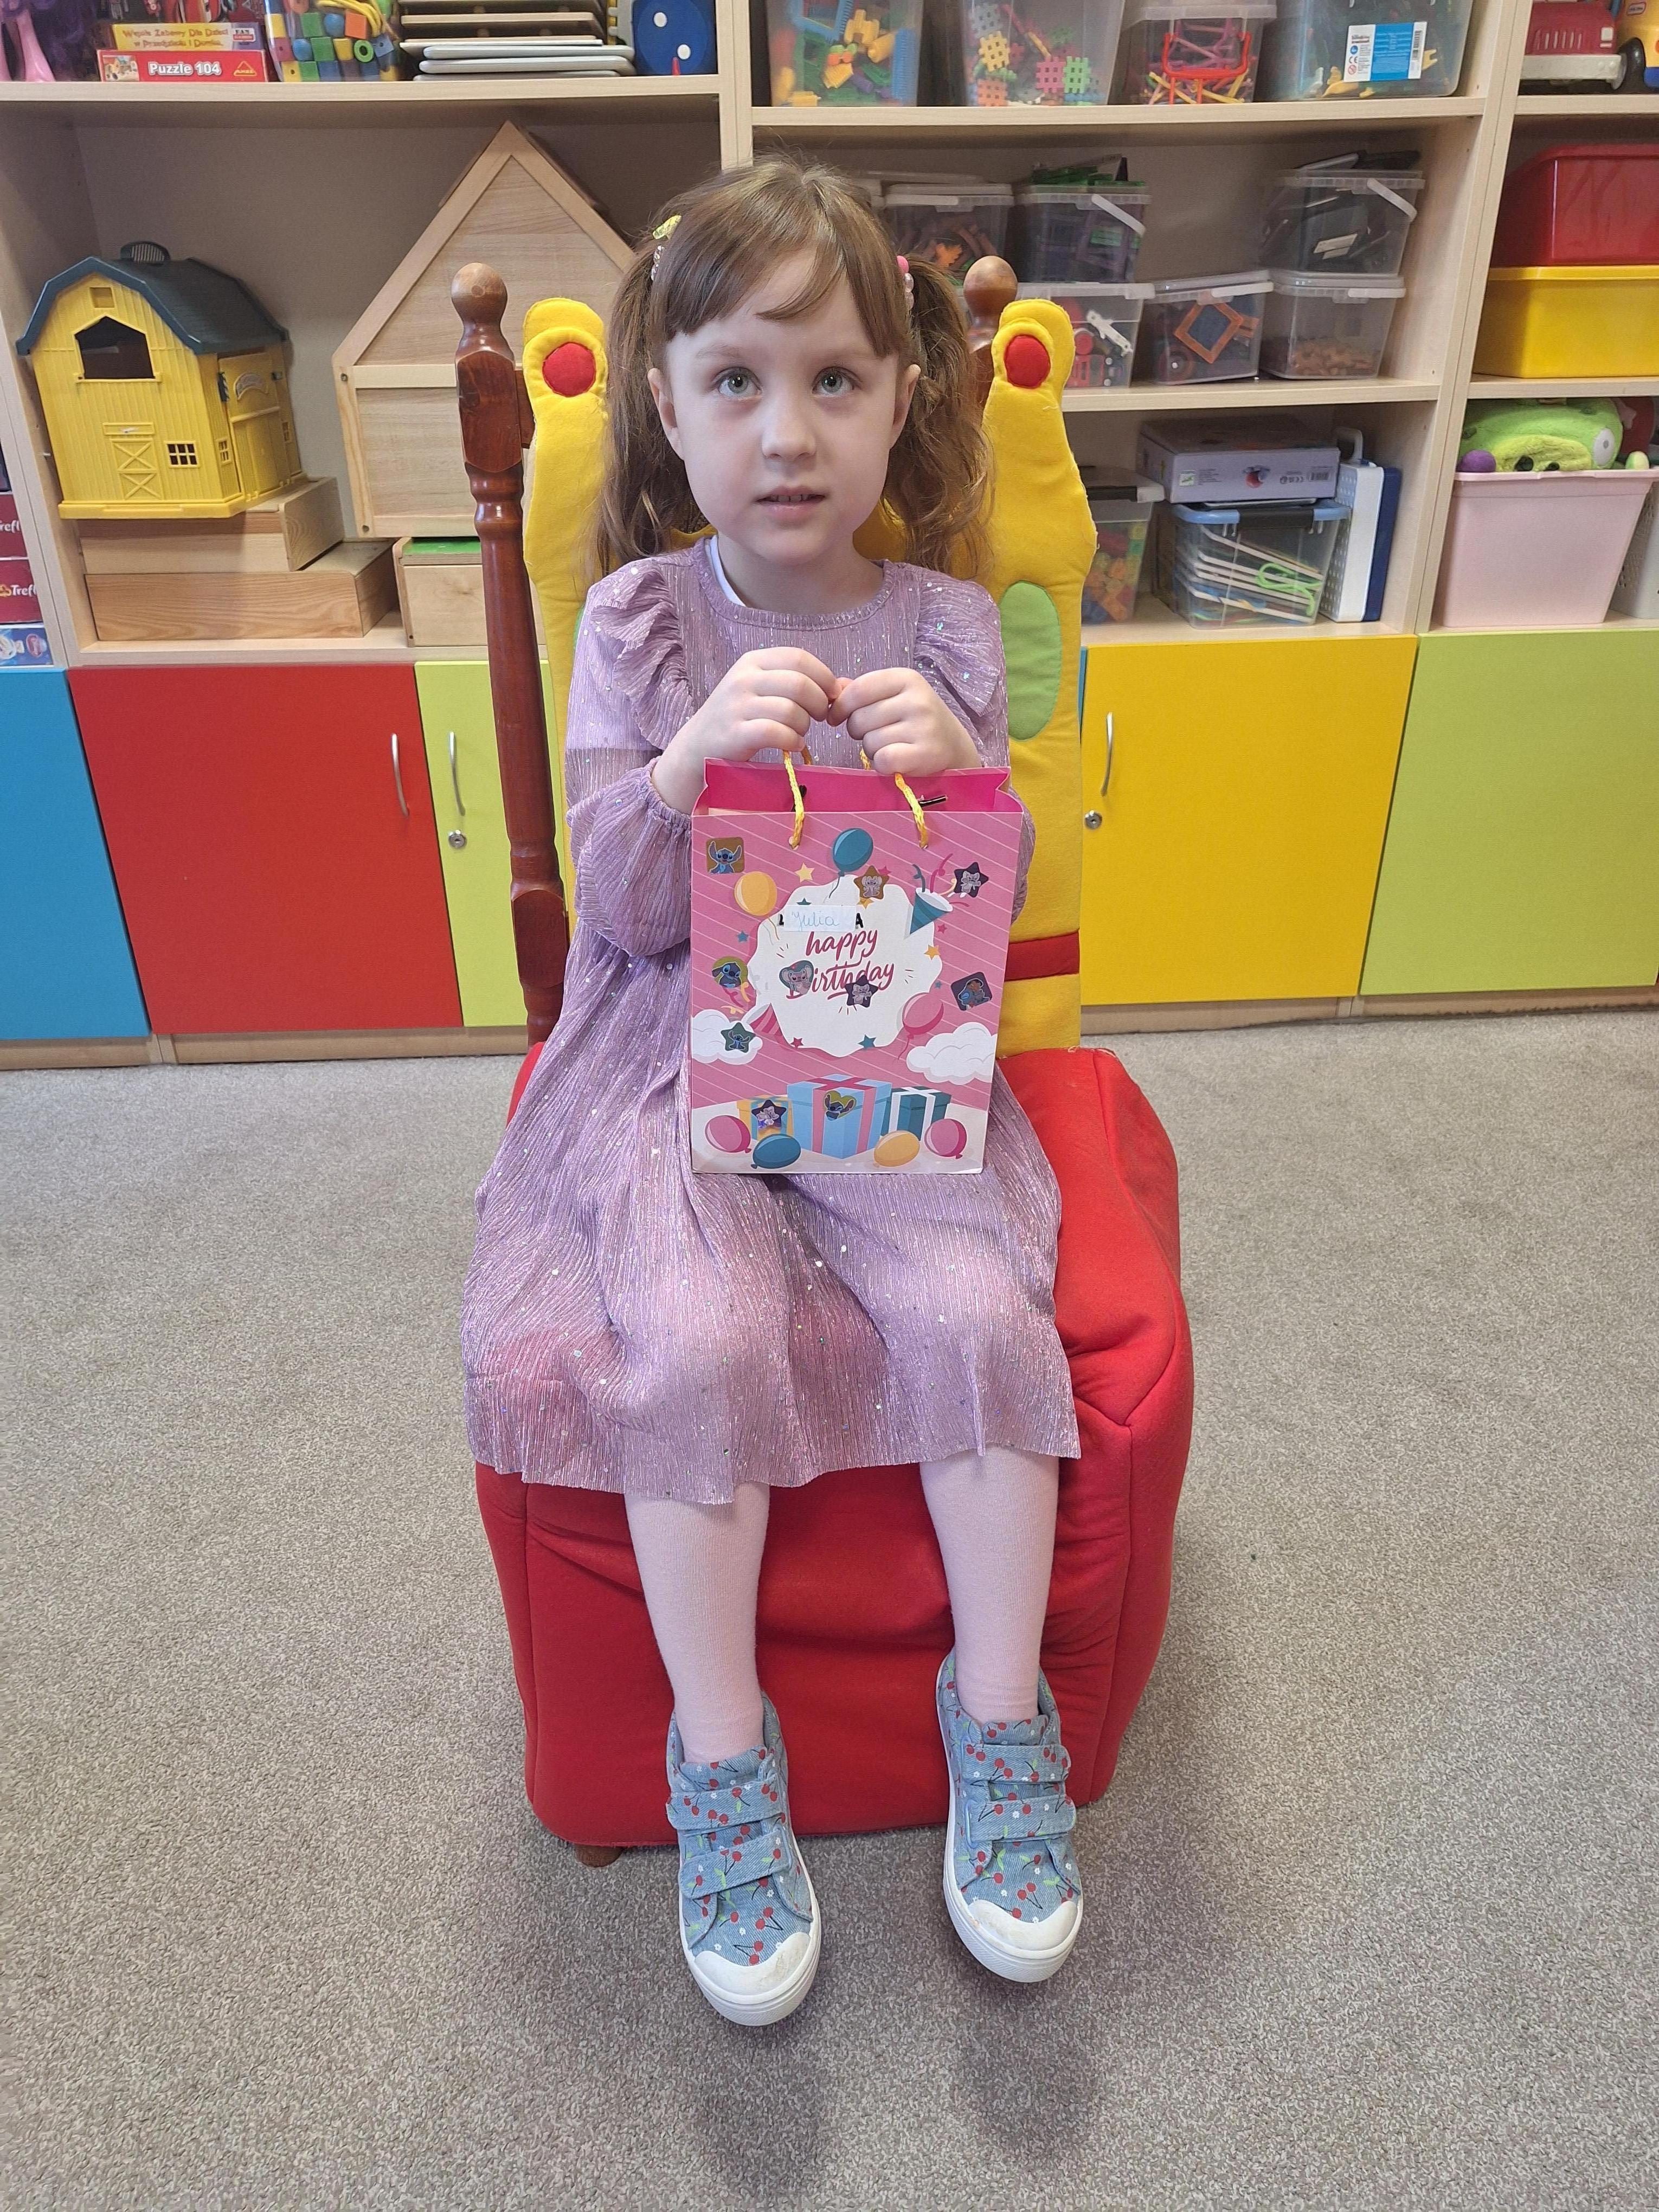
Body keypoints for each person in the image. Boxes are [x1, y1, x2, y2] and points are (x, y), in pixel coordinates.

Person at [462, 160, 1082, 2027]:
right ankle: (721, 1760)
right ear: (667, 406)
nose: (787, 434)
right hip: (673, 1052)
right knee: (698, 1331)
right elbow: (619, 912)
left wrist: (960, 774)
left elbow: (984, 913)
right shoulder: (642, 621)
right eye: (736, 381)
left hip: (883, 1052)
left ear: (900, 397)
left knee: (980, 1310)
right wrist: (682, 774)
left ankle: (1000, 1724)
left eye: (832, 381)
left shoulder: (946, 630)